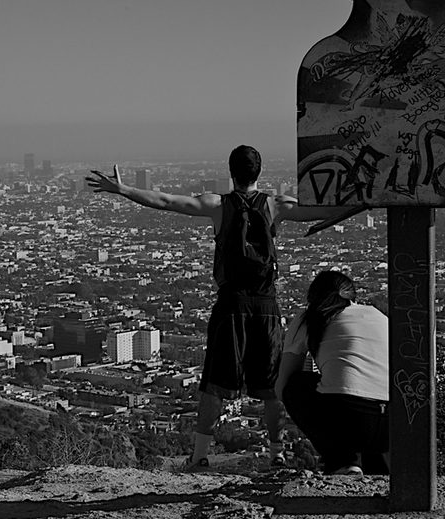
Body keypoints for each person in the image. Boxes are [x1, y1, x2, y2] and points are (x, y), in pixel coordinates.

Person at [86, 145, 348, 471]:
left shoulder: (218, 205)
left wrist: (122, 189)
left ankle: (199, 456)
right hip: (266, 305)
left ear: (231, 171)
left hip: (231, 305)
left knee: (215, 384)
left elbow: (167, 201)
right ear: (259, 172)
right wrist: (366, 200)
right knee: (270, 386)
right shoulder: (275, 205)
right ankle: (276, 452)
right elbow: (320, 211)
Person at [275, 271, 389, 476]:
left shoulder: (307, 318)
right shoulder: (376, 314)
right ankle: (378, 468)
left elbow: (282, 386)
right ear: (352, 295)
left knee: (295, 386)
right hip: (395, 421)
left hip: (350, 420)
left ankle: (343, 462)